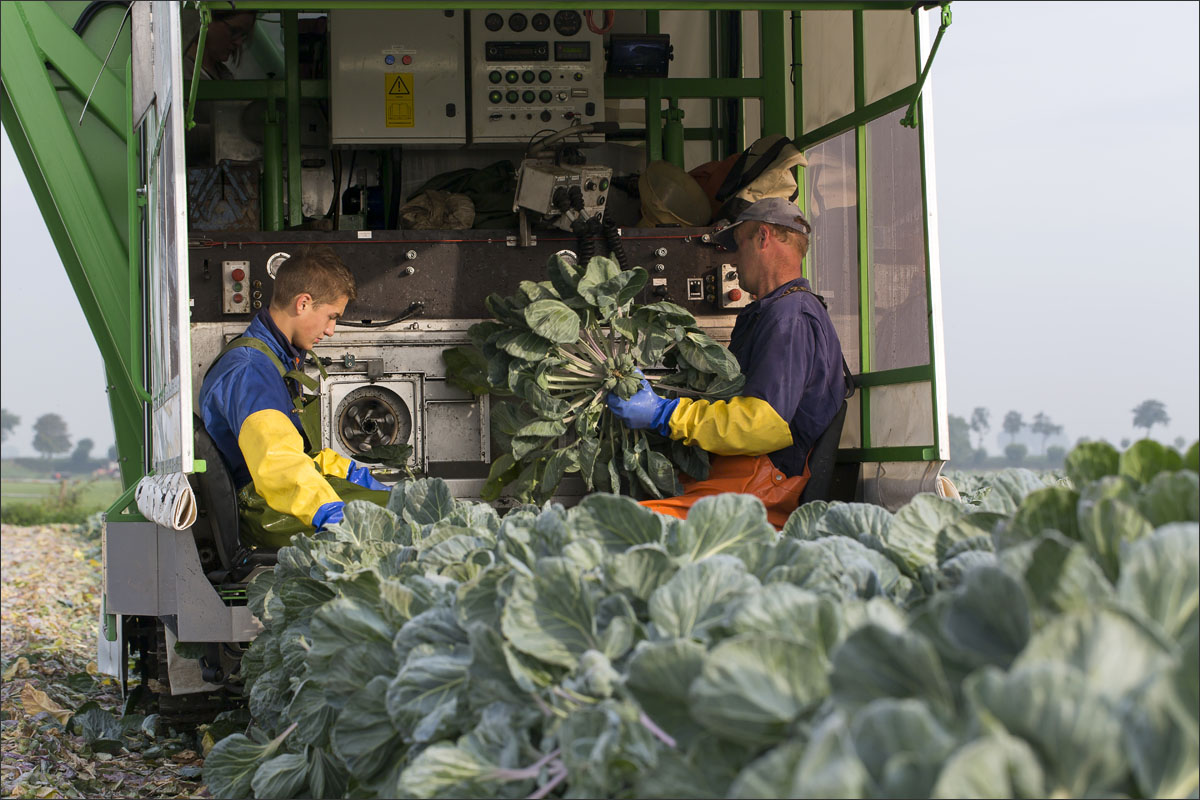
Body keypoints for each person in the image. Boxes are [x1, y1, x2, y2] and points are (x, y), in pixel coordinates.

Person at [606, 197, 849, 528]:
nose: (732, 260)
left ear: (762, 237)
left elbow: (762, 424)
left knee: (616, 527)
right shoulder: (774, 312)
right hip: (736, 480)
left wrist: (664, 413)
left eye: (737, 244)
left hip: (759, 494)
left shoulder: (790, 316)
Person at [199, 246, 389, 544]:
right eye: (331, 317)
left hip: (279, 498)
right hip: (266, 511)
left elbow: (294, 454)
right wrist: (331, 513)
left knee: (397, 504)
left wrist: (353, 475)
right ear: (303, 303)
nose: (331, 330)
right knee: (396, 520)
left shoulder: (272, 358)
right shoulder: (251, 370)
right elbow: (279, 464)